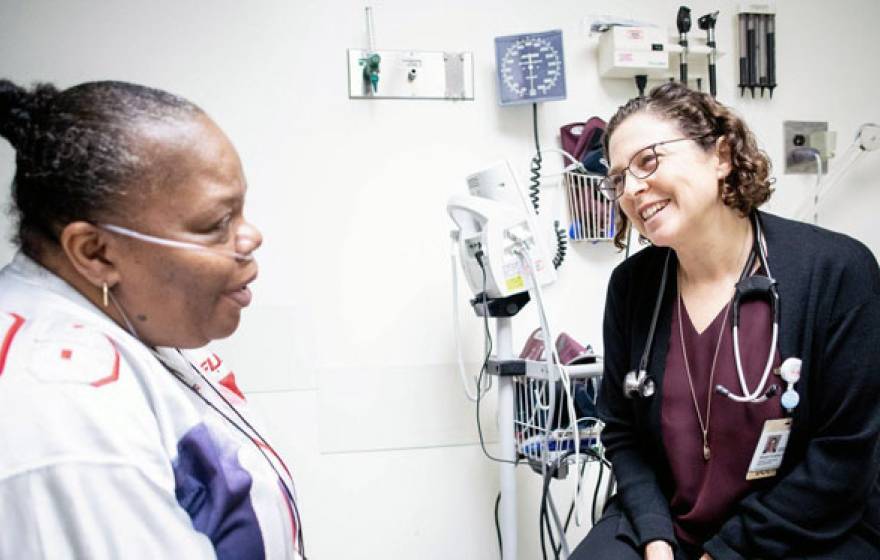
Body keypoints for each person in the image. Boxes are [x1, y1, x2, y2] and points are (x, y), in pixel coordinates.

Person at [571, 82, 880, 560]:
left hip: (800, 527)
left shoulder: (836, 270)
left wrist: (727, 552)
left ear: (720, 156)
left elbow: (843, 455)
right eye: (617, 179)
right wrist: (654, 536)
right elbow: (622, 433)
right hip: (670, 524)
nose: (631, 190)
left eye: (648, 161)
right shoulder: (634, 286)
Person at [0, 80, 305, 559]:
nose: (250, 237)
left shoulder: (126, 316)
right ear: (96, 252)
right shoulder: (66, 417)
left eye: (240, 209)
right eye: (215, 224)